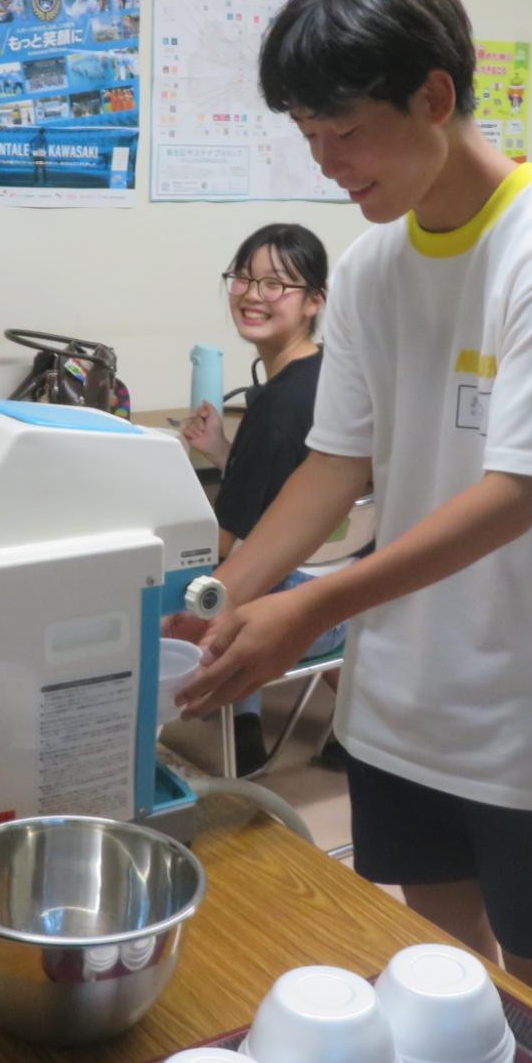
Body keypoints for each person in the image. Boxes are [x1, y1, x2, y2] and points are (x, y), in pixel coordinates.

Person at [169, 0, 532, 1026]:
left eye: (345, 133)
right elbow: (338, 465)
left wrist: (314, 605)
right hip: (405, 693)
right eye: (307, 137)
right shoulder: (376, 264)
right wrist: (221, 596)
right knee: (435, 942)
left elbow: (514, 496)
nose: (327, 164)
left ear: (434, 96)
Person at [179, 224, 349, 775]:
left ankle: (240, 732)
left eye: (276, 284)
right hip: (348, 601)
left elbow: (230, 545)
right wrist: (226, 452)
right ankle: (351, 726)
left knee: (196, 574)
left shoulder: (276, 406)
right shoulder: (331, 376)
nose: (253, 294)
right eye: (244, 278)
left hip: (296, 613)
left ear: (314, 300)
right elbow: (293, 492)